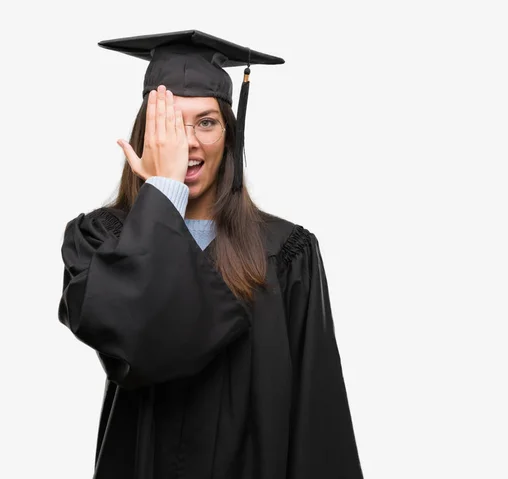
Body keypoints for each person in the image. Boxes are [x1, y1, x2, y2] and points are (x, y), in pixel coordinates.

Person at [58, 30, 363, 479]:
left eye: (206, 122)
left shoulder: (286, 252)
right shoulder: (100, 239)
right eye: (171, 125)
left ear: (229, 135)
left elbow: (317, 411)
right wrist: (164, 193)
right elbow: (137, 347)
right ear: (147, 136)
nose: (189, 144)